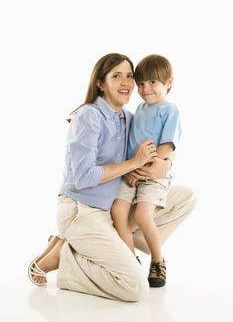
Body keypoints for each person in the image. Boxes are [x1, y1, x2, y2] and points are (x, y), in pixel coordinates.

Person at [28, 53, 196, 302]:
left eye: (130, 76)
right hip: (82, 209)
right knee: (134, 287)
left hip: (113, 207)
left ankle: (122, 249)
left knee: (187, 197)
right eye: (116, 76)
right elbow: (84, 176)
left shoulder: (129, 117)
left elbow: (160, 144)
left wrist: (165, 164)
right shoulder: (88, 117)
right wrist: (133, 164)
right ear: (100, 83)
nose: (127, 82)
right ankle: (65, 255)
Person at [111, 54, 181, 288]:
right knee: (118, 211)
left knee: (142, 215)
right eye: (141, 83)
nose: (145, 88)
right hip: (131, 172)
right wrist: (132, 167)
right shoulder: (140, 108)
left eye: (152, 82)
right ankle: (130, 261)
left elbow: (166, 147)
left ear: (168, 82)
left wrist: (144, 169)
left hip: (152, 174)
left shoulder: (170, 110)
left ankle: (158, 260)